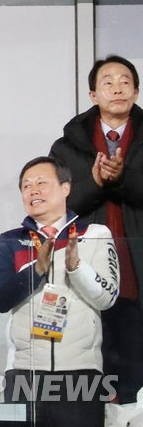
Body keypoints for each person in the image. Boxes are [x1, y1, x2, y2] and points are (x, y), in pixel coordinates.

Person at [0, 156, 118, 427]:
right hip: (25, 373)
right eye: (26, 186)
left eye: (41, 183)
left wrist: (77, 269)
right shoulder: (11, 240)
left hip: (80, 374)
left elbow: (108, 297)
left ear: (65, 188)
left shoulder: (94, 234)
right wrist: (36, 271)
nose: (33, 190)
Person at [50, 54, 143, 404]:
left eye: (125, 82)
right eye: (108, 82)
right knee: (90, 377)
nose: (117, 88)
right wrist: (95, 183)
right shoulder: (67, 146)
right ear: (93, 95)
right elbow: (54, 206)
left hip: (138, 271)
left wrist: (123, 179)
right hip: (86, 271)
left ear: (136, 91)